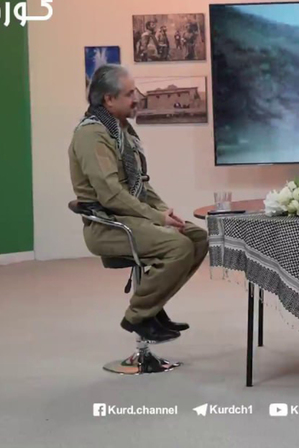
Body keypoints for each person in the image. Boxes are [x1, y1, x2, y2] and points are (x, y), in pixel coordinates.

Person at [69, 64, 209, 342]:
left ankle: (153, 307)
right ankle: (138, 316)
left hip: (130, 216)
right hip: (107, 224)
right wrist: (156, 218)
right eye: (130, 93)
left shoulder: (121, 130)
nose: (137, 98)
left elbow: (140, 183)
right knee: (178, 246)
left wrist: (163, 211)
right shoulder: (92, 134)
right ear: (109, 99)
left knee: (198, 237)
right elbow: (110, 194)